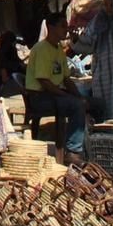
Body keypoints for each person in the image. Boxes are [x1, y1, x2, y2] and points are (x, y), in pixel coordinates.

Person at [24, 18, 87, 163]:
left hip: (55, 94)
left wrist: (79, 96)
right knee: (76, 105)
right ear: (51, 28)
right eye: (62, 26)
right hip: (40, 97)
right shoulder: (41, 49)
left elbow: (66, 79)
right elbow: (44, 81)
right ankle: (73, 152)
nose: (66, 29)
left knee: (95, 103)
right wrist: (67, 96)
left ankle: (93, 147)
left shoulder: (59, 50)